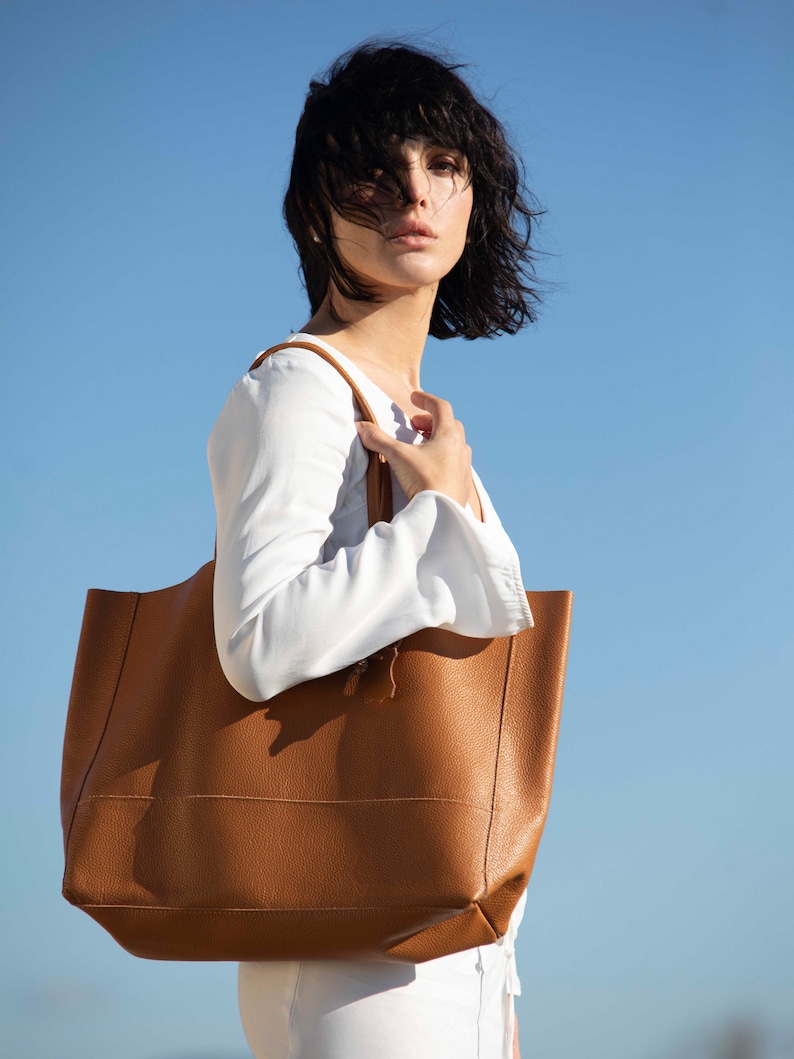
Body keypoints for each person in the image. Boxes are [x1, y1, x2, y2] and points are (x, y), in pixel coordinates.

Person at [207, 40, 542, 1059]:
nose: (414, 193)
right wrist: (434, 522)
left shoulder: (417, 426)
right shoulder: (299, 388)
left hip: (451, 945)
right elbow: (257, 641)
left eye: (442, 165)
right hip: (352, 952)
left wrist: (503, 992)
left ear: (474, 196)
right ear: (316, 205)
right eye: (375, 168)